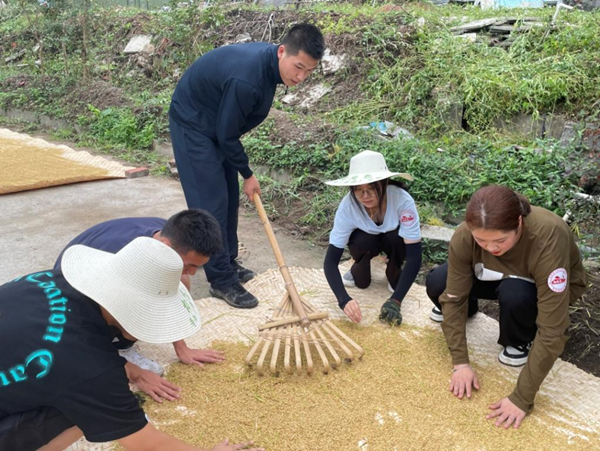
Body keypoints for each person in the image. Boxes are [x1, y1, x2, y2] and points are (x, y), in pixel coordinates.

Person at [0, 237, 264, 451]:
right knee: (79, 414)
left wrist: (131, 370)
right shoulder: (92, 371)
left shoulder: (52, 279)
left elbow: (63, 345)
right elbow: (147, 444)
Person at [169, 23, 325, 310]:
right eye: (298, 67)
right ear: (282, 52)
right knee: (211, 205)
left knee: (228, 199)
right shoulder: (248, 79)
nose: (301, 77)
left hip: (215, 126)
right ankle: (221, 280)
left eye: (309, 71)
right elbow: (228, 135)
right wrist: (248, 174)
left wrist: (239, 172)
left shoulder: (269, 67)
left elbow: (228, 132)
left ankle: (227, 261)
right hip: (193, 125)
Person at [426, 185, 587, 429]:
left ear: (519, 223)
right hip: (493, 275)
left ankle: (518, 338)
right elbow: (455, 295)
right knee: (439, 283)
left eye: (500, 240)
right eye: (481, 241)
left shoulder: (548, 238)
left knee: (516, 295)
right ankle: (466, 314)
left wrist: (522, 399)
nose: (491, 248)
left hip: (533, 285)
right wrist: (460, 363)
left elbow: (553, 330)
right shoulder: (465, 235)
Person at [54, 209, 226, 403]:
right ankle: (121, 348)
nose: (194, 273)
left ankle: (121, 341)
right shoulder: (123, 256)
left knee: (181, 281)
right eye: (190, 265)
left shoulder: (171, 235)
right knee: (143, 302)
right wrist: (133, 372)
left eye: (198, 266)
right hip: (72, 294)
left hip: (108, 286)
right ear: (165, 246)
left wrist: (181, 346)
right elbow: (74, 337)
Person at [323, 150, 423, 326]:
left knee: (395, 238)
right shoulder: (348, 207)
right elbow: (330, 261)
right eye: (359, 190)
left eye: (371, 189)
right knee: (361, 281)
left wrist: (396, 300)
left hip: (393, 241)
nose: (365, 196)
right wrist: (343, 300)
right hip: (364, 242)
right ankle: (358, 268)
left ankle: (393, 271)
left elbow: (415, 256)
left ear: (383, 184)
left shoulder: (402, 201)